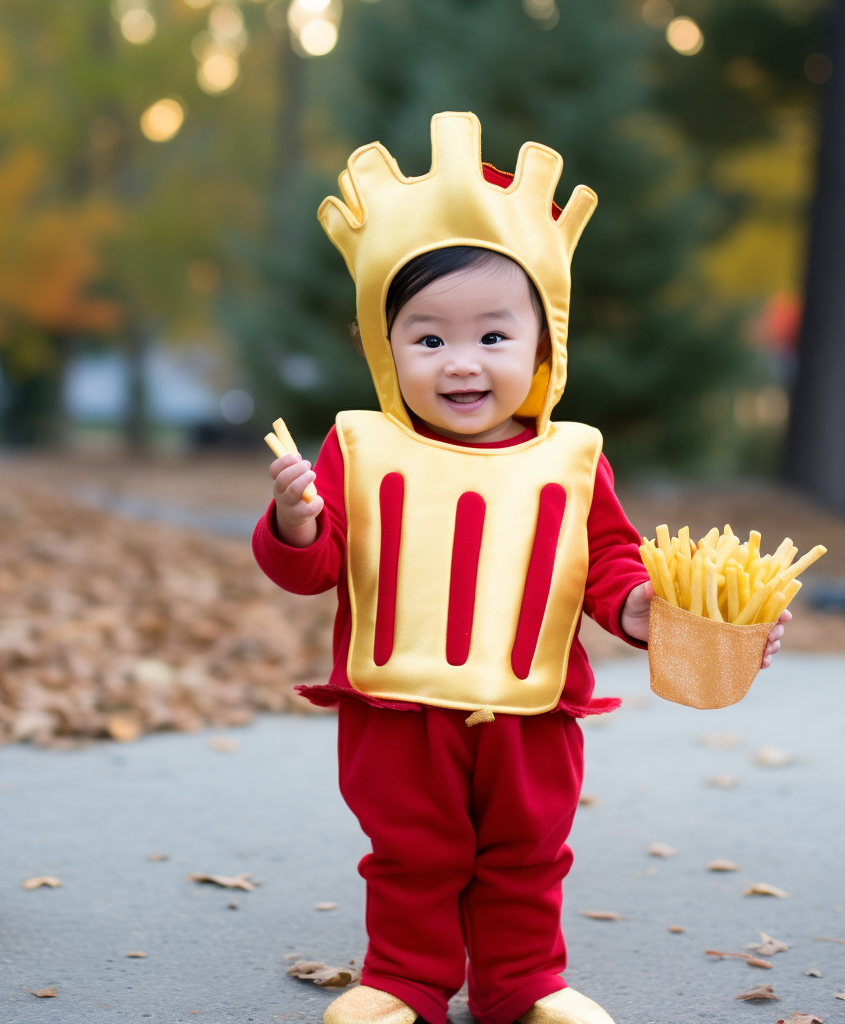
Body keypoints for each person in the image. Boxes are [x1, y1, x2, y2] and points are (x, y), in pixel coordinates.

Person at [252, 112, 787, 1024]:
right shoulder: (360, 447)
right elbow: (318, 565)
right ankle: (405, 980)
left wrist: (642, 613)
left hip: (533, 711)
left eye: (493, 337)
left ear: (544, 343)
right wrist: (298, 524)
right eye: (427, 340)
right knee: (412, 850)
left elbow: (609, 560)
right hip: (398, 712)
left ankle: (523, 983)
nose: (462, 364)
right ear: (388, 350)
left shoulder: (574, 458)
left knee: (527, 849)